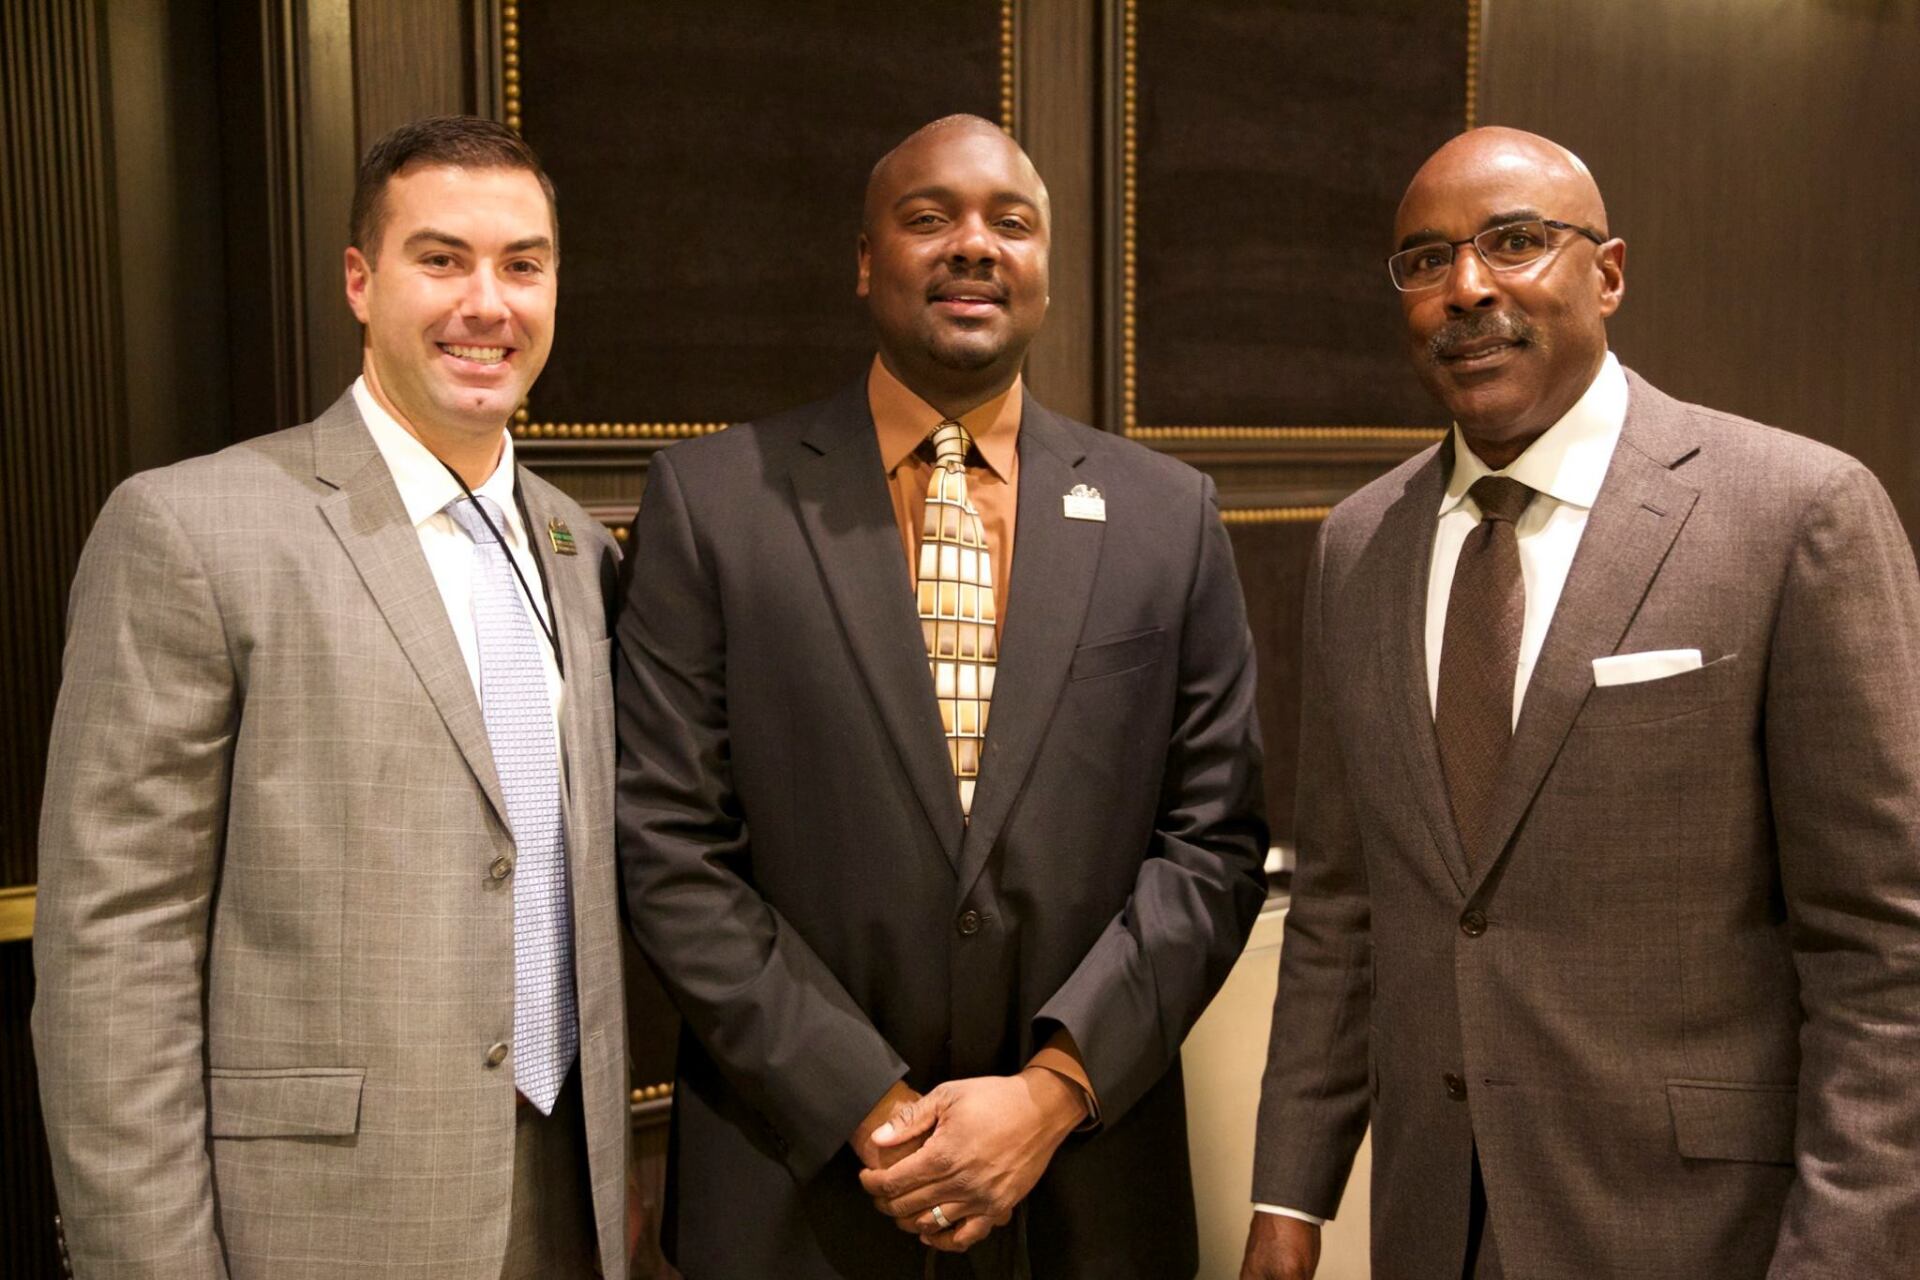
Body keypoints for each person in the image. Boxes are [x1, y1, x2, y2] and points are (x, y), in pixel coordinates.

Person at [1242, 126, 1920, 1279]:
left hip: (1698, 1235)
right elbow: (1342, 909)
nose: (1467, 287)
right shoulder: (1359, 545)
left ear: (1607, 272)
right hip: (1432, 1227)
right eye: (1425, 260)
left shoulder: (1797, 513)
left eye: (1514, 243)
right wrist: (1289, 1197)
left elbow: (1884, 950)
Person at [616, 113, 1268, 1279]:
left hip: (1083, 1187)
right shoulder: (714, 501)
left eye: (1009, 222)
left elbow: (1212, 841)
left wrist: (1052, 1092)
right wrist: (873, 1109)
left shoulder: (1170, 517)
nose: (975, 244)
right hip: (797, 1186)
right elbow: (667, 843)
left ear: (1046, 273)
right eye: (930, 218)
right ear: (866, 262)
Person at [32, 116, 630, 1279]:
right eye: (442, 258)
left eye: (523, 264)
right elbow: (115, 948)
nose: (487, 302)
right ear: (361, 281)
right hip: (314, 1227)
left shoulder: (579, 548)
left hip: (570, 1205)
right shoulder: (191, 528)